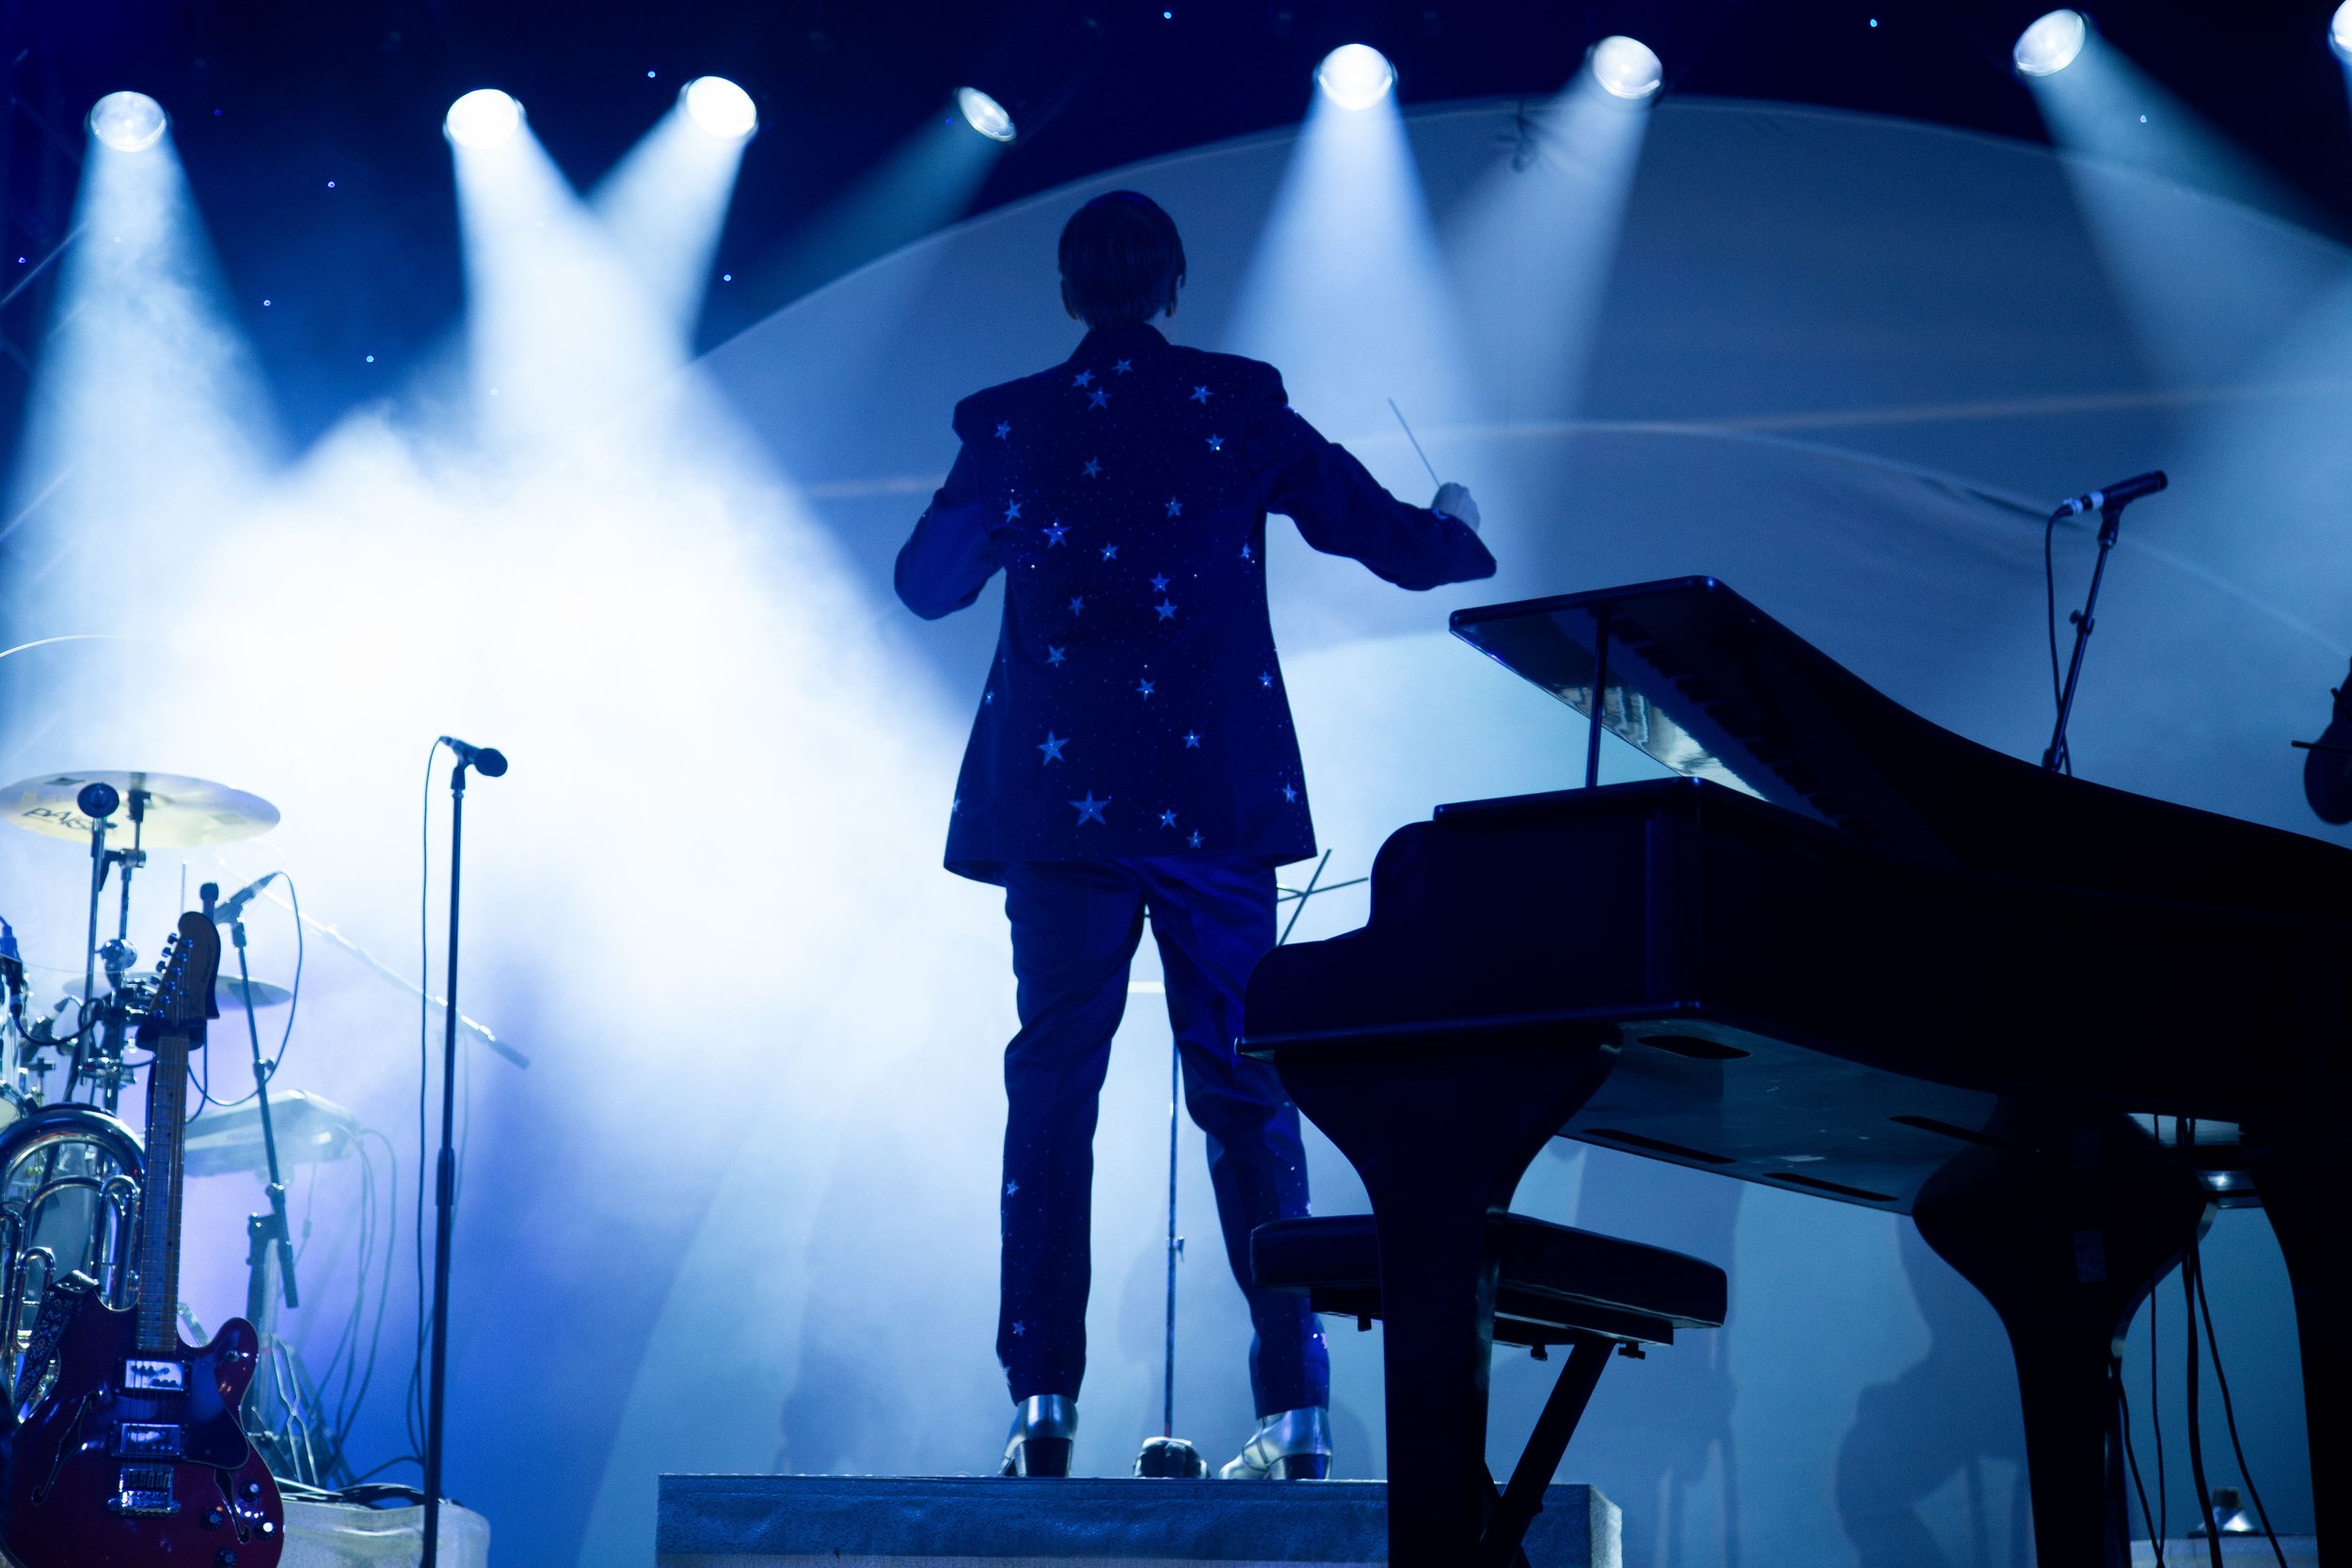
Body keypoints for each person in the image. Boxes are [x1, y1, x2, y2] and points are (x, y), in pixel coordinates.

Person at [896, 190, 1495, 1481]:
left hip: (1060, 818)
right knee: (1245, 1091)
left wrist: (1014, 511)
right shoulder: (1236, 402)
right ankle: (1296, 1413)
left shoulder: (1007, 425)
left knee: (1052, 1094)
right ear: (1172, 287)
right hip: (1209, 806)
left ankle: (1039, 1405)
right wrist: (1456, 527)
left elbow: (927, 585)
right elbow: (1383, 538)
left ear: (1070, 291)